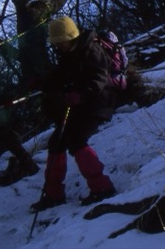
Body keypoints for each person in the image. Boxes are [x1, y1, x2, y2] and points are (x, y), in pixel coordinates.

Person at [30, 16, 117, 211]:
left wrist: (81, 95)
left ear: (70, 36)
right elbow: (59, 78)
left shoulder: (92, 50)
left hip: (98, 104)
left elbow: (99, 80)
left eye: (61, 41)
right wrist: (42, 83)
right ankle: (53, 194)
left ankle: (102, 187)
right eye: (56, 43)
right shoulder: (68, 53)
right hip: (81, 105)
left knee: (76, 140)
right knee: (57, 142)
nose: (58, 46)